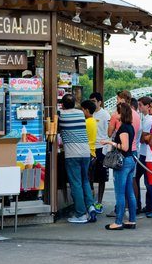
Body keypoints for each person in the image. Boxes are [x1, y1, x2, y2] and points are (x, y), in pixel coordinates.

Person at [59, 94, 96, 224]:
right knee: (85, 181)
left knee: (76, 184)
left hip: (72, 154)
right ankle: (91, 207)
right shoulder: (81, 114)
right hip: (85, 152)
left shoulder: (61, 115)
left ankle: (81, 214)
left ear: (62, 105)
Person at [100, 103, 137, 230]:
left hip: (123, 162)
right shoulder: (130, 127)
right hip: (130, 160)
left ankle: (118, 221)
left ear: (121, 114)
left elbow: (125, 147)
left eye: (117, 112)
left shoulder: (123, 128)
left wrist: (110, 142)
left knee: (120, 193)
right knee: (129, 192)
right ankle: (131, 220)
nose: (114, 114)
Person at [89, 92, 111, 214]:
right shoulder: (88, 114)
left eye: (94, 101)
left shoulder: (105, 115)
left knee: (102, 176)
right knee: (90, 175)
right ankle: (91, 200)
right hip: (91, 147)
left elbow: (109, 132)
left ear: (99, 102)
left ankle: (99, 202)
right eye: (90, 101)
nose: (92, 103)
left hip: (101, 148)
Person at [136, 96, 152, 214]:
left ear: (149, 106)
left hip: (146, 154)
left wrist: (143, 136)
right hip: (144, 153)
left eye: (141, 105)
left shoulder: (149, 120)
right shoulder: (146, 119)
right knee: (147, 180)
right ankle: (148, 205)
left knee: (149, 181)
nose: (140, 108)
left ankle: (150, 205)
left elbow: (144, 139)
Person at [81, 100, 98, 208]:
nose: (81, 112)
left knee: (87, 182)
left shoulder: (86, 122)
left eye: (82, 110)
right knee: (90, 182)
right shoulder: (93, 121)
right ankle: (91, 205)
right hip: (93, 153)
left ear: (87, 110)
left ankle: (89, 206)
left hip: (88, 153)